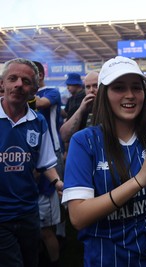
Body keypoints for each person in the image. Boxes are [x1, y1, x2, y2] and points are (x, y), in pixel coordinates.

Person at [61, 56, 146, 266]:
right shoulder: (85, 141)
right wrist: (139, 180)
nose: (130, 95)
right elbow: (78, 216)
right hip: (107, 259)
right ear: (105, 94)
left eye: (136, 87)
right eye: (119, 88)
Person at [0, 58, 63, 267]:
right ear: (2, 84)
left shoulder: (38, 122)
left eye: (26, 81)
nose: (19, 84)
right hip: (2, 215)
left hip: (28, 211)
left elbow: (45, 163)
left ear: (34, 89)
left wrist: (57, 183)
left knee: (31, 261)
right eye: (12, 79)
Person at [33, 61, 64, 267]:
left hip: (52, 148)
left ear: (40, 76)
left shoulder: (51, 91)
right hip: (32, 150)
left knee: (56, 189)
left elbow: (41, 104)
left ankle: (61, 234)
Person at [59, 71, 99, 143]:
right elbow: (64, 136)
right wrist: (80, 110)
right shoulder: (79, 107)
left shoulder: (112, 106)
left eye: (96, 86)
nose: (91, 90)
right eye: (88, 87)